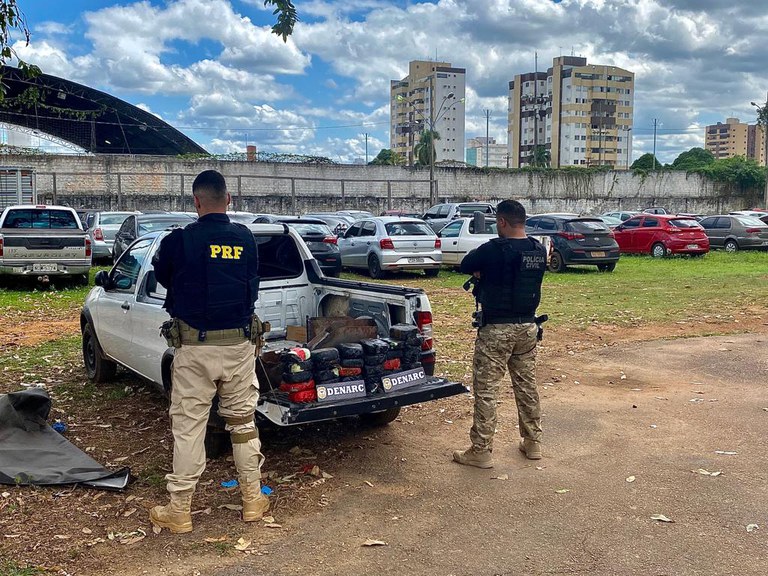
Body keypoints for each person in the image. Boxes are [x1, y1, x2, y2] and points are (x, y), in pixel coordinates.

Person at [149, 169, 267, 533]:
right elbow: (253, 281)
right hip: (239, 347)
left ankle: (180, 510)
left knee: (188, 428)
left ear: (196, 202)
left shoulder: (178, 241)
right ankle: (252, 500)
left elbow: (164, 276)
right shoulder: (245, 238)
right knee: (243, 424)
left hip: (194, 349)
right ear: (228, 200)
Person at [453, 199, 547, 469]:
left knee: (487, 390)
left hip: (496, 329)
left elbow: (465, 264)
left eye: (497, 223)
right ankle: (533, 443)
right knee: (527, 387)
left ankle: (481, 450)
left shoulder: (493, 250)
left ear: (503, 222)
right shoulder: (537, 250)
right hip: (528, 327)